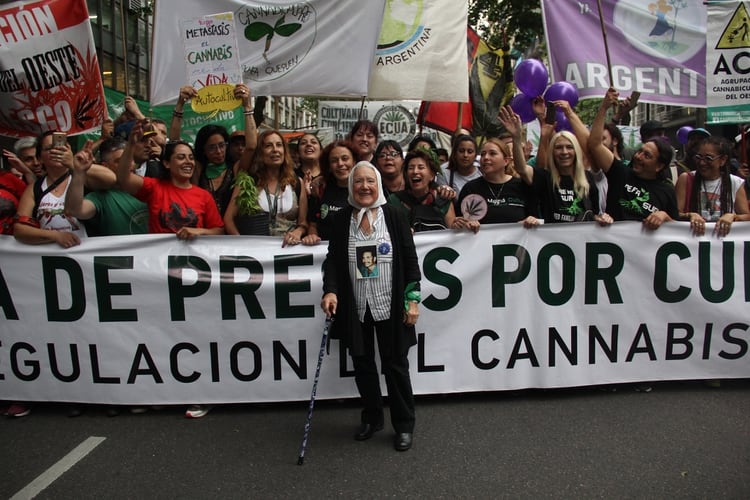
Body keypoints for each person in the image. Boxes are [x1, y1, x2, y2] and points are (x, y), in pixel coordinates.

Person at [117, 124, 224, 419]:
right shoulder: (154, 188)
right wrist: (131, 146)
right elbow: (123, 179)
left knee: (196, 334)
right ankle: (160, 392)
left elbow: (219, 230)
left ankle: (201, 392)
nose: (188, 162)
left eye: (190, 157)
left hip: (194, 279)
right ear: (165, 163)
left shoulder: (203, 196)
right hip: (157, 277)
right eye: (180, 157)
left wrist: (199, 230)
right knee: (159, 334)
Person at [320, 161, 421, 452]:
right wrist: (331, 291)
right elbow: (334, 262)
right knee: (363, 364)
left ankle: (403, 425)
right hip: (357, 305)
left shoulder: (395, 214)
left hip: (388, 302)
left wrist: (412, 300)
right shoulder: (341, 219)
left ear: (378, 184)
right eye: (358, 181)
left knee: (395, 365)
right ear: (351, 186)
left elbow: (411, 261)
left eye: (370, 181)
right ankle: (372, 418)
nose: (364, 187)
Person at [498, 105, 608, 225]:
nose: (564, 152)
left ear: (576, 151)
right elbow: (522, 169)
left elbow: (595, 215)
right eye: (559, 148)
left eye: (569, 147)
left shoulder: (588, 179)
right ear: (552, 152)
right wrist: (516, 137)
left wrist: (603, 219)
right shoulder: (545, 177)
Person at [589, 88, 678, 229]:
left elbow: (678, 231)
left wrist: (664, 217)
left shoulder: (667, 191)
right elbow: (594, 145)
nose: (638, 157)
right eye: (640, 151)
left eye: (647, 156)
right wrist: (604, 107)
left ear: (659, 166)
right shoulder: (620, 173)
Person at [171, 84, 257, 216]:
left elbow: (251, 147)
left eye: (221, 145)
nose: (218, 151)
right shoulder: (197, 170)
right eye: (212, 147)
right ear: (203, 150)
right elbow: (174, 145)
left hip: (232, 232)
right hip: (203, 232)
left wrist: (247, 106)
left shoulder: (235, 169)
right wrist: (180, 105)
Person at [223, 129, 307, 246]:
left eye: (279, 145)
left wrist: (298, 232)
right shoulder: (248, 182)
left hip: (288, 254)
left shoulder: (297, 183)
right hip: (256, 254)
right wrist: (241, 244)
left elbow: (303, 222)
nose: (275, 150)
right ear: (260, 153)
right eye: (268, 146)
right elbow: (228, 219)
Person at [65, 137, 149, 236]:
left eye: (131, 159)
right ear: (105, 166)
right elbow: (75, 210)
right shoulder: (101, 197)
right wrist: (79, 171)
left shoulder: (148, 188)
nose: (129, 164)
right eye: (120, 161)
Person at [676, 136, 749, 237]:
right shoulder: (686, 179)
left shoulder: (734, 182)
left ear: (722, 160)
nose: (702, 163)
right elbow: (675, 213)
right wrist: (690, 215)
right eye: (698, 157)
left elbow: (747, 216)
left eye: (708, 158)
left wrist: (733, 217)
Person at [388, 148, 476, 232]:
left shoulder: (443, 200)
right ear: (406, 175)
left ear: (432, 175)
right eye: (411, 168)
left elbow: (451, 234)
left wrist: (457, 226)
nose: (415, 171)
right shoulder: (394, 201)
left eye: (421, 167)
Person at [456, 138, 537, 227]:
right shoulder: (470, 188)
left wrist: (531, 220)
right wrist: (464, 224)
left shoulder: (522, 186)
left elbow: (535, 217)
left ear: (506, 161)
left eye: (492, 153)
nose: (486, 157)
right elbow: (459, 222)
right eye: (483, 154)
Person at [302, 140, 356, 244]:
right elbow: (313, 224)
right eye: (334, 160)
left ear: (354, 162)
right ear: (329, 166)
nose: (340, 164)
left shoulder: (364, 190)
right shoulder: (320, 189)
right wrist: (312, 235)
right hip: (325, 255)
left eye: (345, 159)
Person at [295, 132, 322, 198]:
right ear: (298, 153)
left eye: (313, 142)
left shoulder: (329, 175)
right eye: (303, 143)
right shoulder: (291, 176)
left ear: (321, 151)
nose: (309, 144)